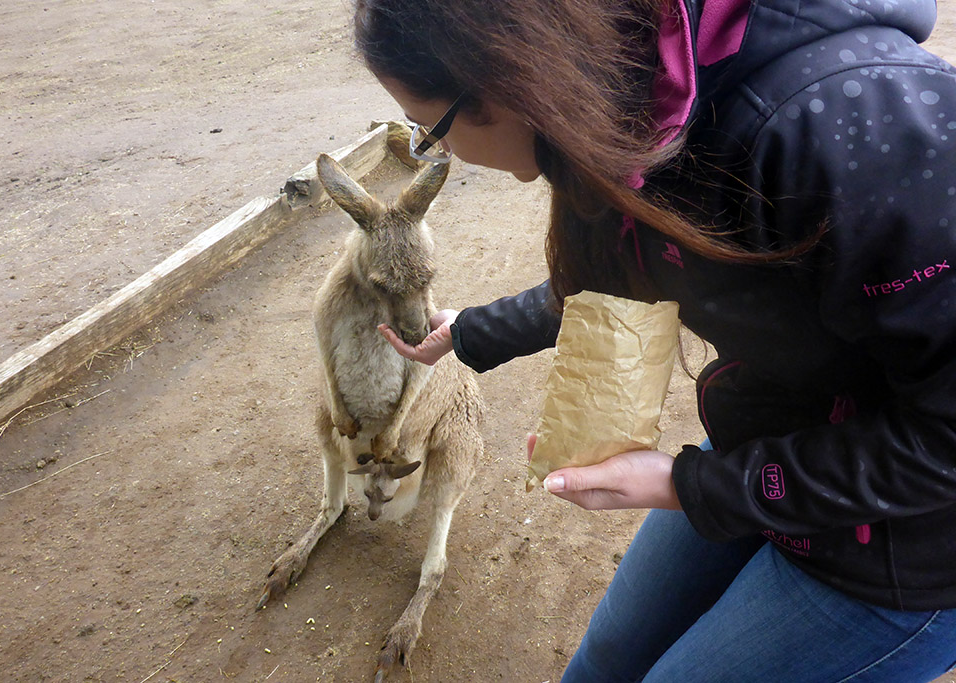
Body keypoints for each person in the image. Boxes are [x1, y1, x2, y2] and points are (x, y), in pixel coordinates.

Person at [355, 0, 956, 681]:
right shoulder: (629, 105)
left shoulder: (853, 126)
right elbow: (632, 273)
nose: (439, 150)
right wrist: (467, 331)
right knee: (605, 660)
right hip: (770, 436)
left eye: (428, 130)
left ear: (494, 86)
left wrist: (687, 482)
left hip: (914, 544)